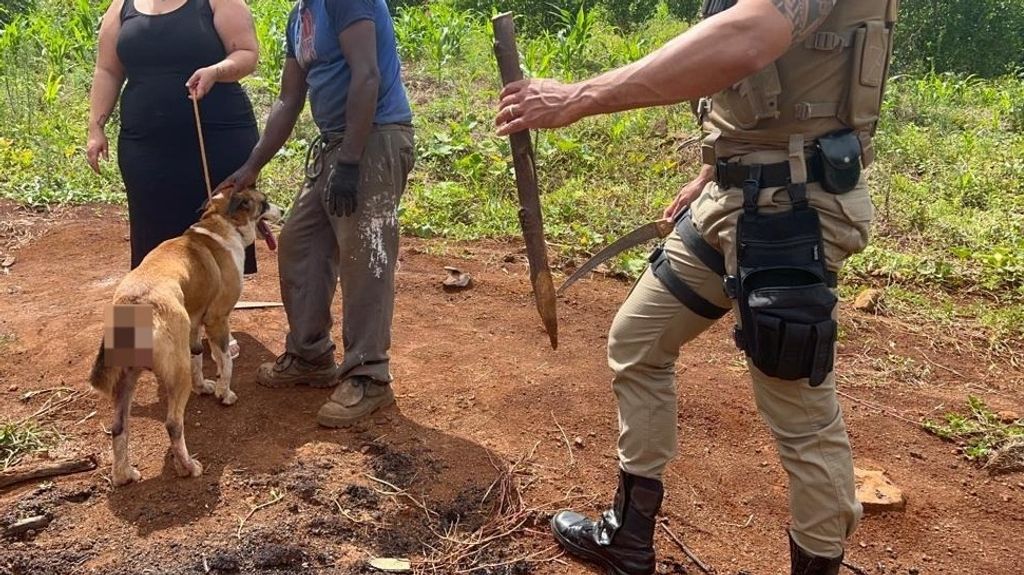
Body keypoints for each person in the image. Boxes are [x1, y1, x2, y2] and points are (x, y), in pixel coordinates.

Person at [496, 1, 896, 574]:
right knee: (639, 338)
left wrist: (578, 96)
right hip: (734, 198)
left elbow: (752, 36)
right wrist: (716, 167)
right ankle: (629, 536)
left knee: (800, 417)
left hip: (792, 214)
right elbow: (781, 82)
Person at [221, 0, 414, 428]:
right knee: (300, 244)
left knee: (365, 258)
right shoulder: (300, 16)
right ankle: (310, 355)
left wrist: (349, 162)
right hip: (335, 143)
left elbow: (367, 75)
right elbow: (289, 99)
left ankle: (369, 375)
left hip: (373, 138)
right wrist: (252, 166)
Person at [87, 0, 261, 276]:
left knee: (218, 252)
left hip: (217, 141)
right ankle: (134, 320)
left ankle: (201, 318)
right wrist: (95, 127)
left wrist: (215, 71)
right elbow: (107, 70)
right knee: (147, 248)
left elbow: (247, 53)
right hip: (144, 145)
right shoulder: (122, 6)